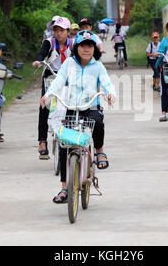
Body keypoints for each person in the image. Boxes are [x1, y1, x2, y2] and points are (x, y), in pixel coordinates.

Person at [40, 30, 116, 204]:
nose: (86, 49)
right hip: (71, 108)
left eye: (90, 45)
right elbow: (59, 81)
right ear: (77, 47)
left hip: (90, 106)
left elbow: (106, 83)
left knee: (98, 121)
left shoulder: (97, 66)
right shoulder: (69, 63)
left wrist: (110, 94)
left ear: (94, 49)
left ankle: (99, 152)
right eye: (83, 45)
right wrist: (48, 95)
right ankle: (65, 188)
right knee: (65, 145)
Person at [32, 17, 74, 159]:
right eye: (56, 30)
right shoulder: (49, 42)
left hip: (68, 80)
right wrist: (38, 61)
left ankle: (70, 137)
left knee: (71, 106)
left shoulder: (73, 44)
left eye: (61, 30)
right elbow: (41, 54)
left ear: (68, 31)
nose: (58, 33)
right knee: (45, 106)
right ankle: (42, 142)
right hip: (50, 77)